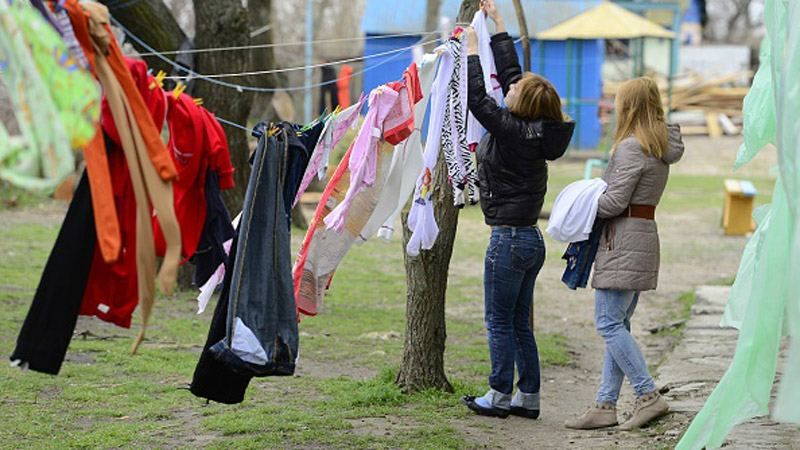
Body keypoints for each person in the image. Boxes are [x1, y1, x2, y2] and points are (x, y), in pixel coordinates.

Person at [461, 0, 575, 419]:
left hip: (508, 241)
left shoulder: (510, 129)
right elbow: (513, 77)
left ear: (519, 104)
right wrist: (499, 24)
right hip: (530, 239)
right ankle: (529, 397)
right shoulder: (536, 129)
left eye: (511, 92)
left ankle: (498, 395)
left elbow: (477, 97)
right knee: (521, 324)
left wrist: (473, 50)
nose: (505, 88)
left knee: (499, 322)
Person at [565, 78, 685, 431]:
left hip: (623, 238)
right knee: (618, 323)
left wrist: (580, 202)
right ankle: (605, 405)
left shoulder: (631, 147)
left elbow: (615, 202)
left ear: (628, 106)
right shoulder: (657, 145)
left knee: (608, 323)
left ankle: (648, 396)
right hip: (641, 235)